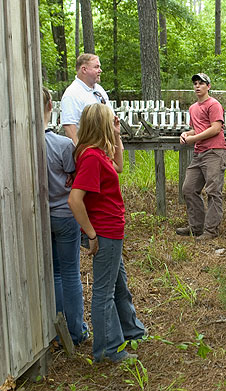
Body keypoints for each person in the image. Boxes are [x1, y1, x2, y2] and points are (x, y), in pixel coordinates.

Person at [68, 103, 145, 363]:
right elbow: (75, 200)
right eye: (111, 122)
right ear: (99, 124)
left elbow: (119, 167)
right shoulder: (90, 157)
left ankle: (132, 330)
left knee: (119, 284)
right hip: (104, 230)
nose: (116, 123)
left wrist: (117, 136)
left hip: (112, 228)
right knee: (104, 291)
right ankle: (107, 350)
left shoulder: (98, 153)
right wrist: (91, 234)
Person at [43, 87, 88, 345]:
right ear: (51, 105)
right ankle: (75, 330)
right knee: (69, 273)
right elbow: (74, 180)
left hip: (40, 218)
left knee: (54, 273)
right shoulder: (62, 145)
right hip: (64, 216)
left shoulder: (24, 145)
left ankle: (58, 332)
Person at [176, 73, 226, 240]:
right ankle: (196, 226)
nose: (197, 86)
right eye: (195, 84)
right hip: (199, 153)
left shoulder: (214, 105)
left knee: (213, 191)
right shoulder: (193, 108)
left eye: (201, 83)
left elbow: (215, 128)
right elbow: (198, 129)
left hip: (214, 151)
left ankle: (211, 230)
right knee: (189, 189)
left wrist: (193, 139)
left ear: (208, 86)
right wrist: (186, 133)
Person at [60, 53, 112, 143]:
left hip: (105, 148)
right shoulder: (72, 94)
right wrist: (79, 152)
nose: (100, 70)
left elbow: (111, 117)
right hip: (88, 149)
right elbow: (70, 127)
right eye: (96, 67)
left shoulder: (99, 90)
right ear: (84, 69)